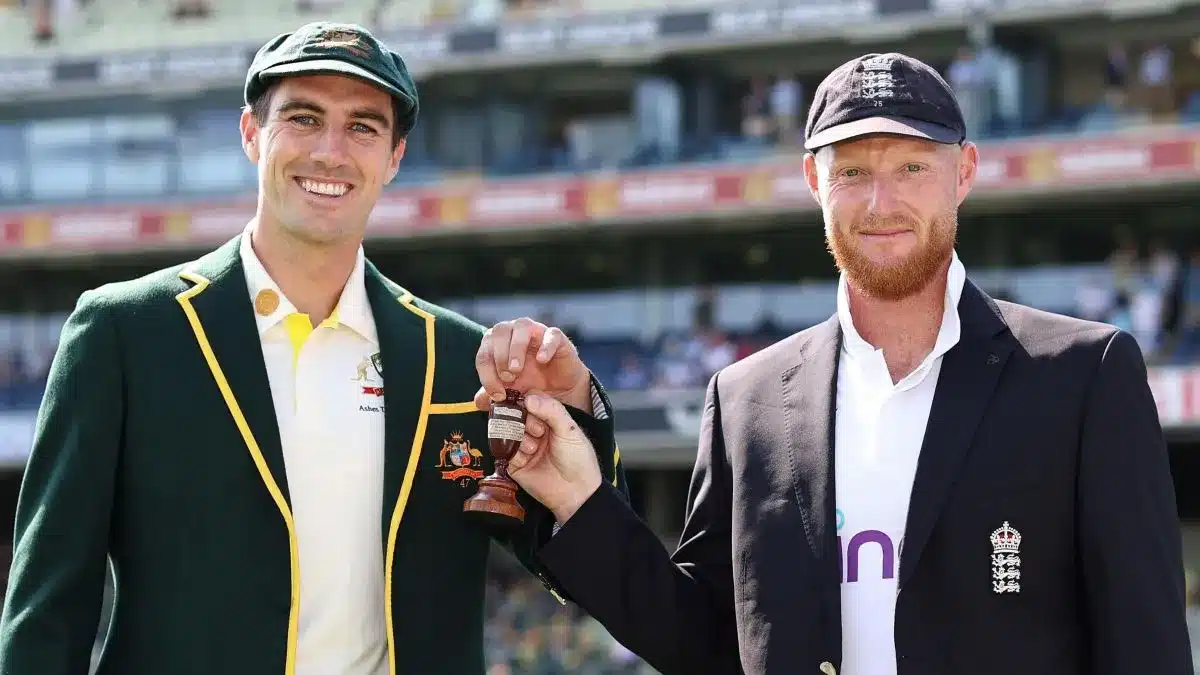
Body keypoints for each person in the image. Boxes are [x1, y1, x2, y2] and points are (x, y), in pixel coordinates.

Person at [497, 53, 1193, 675]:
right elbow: (707, 644)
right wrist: (581, 504)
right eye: (853, 171)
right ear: (813, 180)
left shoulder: (1082, 374)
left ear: (965, 173)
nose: (880, 203)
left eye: (912, 168)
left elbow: (1147, 646)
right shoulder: (745, 399)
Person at [0, 22, 626, 675]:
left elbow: (596, 574)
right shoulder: (124, 333)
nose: (331, 151)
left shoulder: (460, 364)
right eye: (304, 118)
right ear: (251, 134)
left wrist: (577, 406)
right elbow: (47, 613)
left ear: (394, 158)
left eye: (362, 127)